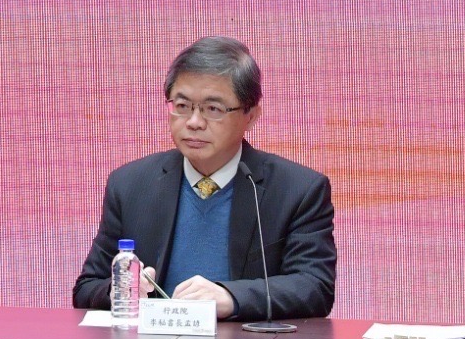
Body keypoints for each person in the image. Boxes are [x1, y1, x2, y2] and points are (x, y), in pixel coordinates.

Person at [72, 36, 335, 320]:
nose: (194, 122)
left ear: (250, 115)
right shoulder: (131, 185)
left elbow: (314, 287)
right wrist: (119, 291)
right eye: (182, 106)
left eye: (213, 109)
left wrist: (231, 297)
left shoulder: (297, 190)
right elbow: (87, 287)